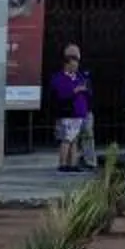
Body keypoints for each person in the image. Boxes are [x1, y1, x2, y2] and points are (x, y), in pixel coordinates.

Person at [46, 41, 96, 171]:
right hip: (68, 113)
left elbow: (89, 89)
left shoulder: (80, 75)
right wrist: (75, 91)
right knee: (67, 139)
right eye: (72, 59)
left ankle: (74, 164)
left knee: (77, 139)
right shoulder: (59, 77)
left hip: (82, 112)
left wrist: (85, 91)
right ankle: (63, 164)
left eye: (77, 58)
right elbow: (60, 93)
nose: (75, 64)